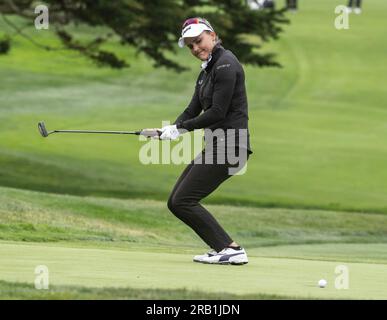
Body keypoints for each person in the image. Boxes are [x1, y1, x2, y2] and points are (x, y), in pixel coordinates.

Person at [157, 17, 253, 265]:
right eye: (190, 46)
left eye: (198, 41)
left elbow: (217, 112)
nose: (196, 48)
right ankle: (226, 248)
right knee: (176, 201)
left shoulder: (226, 65)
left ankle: (230, 249)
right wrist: (169, 128)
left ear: (213, 35)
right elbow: (192, 110)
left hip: (232, 145)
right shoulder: (207, 72)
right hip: (218, 145)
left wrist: (181, 130)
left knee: (183, 201)